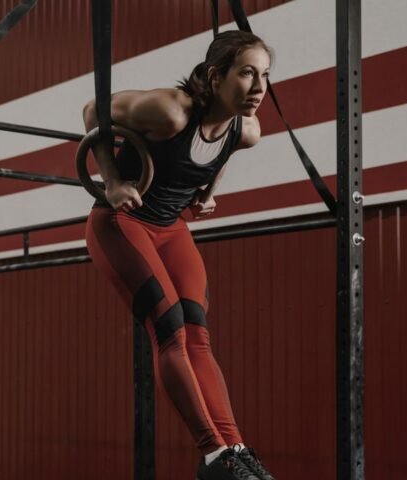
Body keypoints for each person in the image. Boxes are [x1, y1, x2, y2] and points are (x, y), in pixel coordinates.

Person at [82, 30, 276, 480]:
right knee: (169, 331)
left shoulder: (245, 131)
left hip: (171, 228)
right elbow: (93, 112)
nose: (259, 88)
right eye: (247, 73)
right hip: (122, 223)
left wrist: (206, 190)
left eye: (265, 75)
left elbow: (221, 152)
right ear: (215, 75)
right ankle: (213, 453)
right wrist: (111, 181)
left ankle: (234, 448)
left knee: (197, 335)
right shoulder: (170, 112)